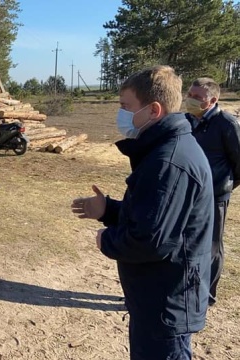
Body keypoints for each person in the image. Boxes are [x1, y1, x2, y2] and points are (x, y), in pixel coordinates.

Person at [71, 65, 213, 359]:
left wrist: (106, 240)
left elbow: (151, 240)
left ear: (153, 110)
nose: (120, 114)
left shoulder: (168, 162)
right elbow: (156, 215)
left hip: (166, 300)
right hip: (158, 295)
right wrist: (109, 210)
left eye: (126, 106)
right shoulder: (165, 150)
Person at [185, 77, 240, 306]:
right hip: (188, 194)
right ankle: (185, 289)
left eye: (197, 97)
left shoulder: (226, 123)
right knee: (186, 242)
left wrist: (223, 186)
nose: (191, 100)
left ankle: (206, 296)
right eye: (190, 94)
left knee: (212, 247)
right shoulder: (187, 120)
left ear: (213, 100)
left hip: (215, 196)